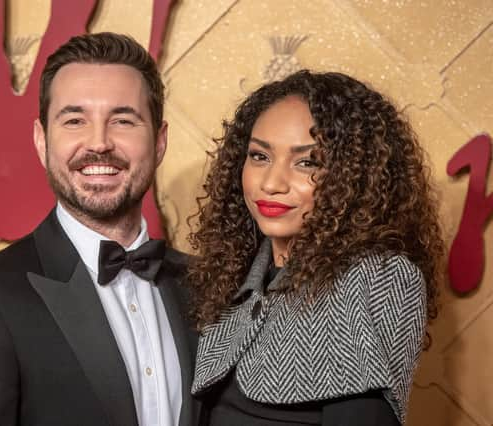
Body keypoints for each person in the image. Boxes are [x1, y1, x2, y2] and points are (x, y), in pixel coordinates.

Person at [0, 32, 198, 426]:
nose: (99, 143)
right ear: (41, 140)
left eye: (122, 120)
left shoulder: (209, 286)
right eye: (74, 120)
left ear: (160, 141)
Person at [187, 70, 444, 425]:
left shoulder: (380, 276)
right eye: (260, 156)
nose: (272, 183)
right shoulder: (234, 276)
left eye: (308, 162)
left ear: (355, 176)